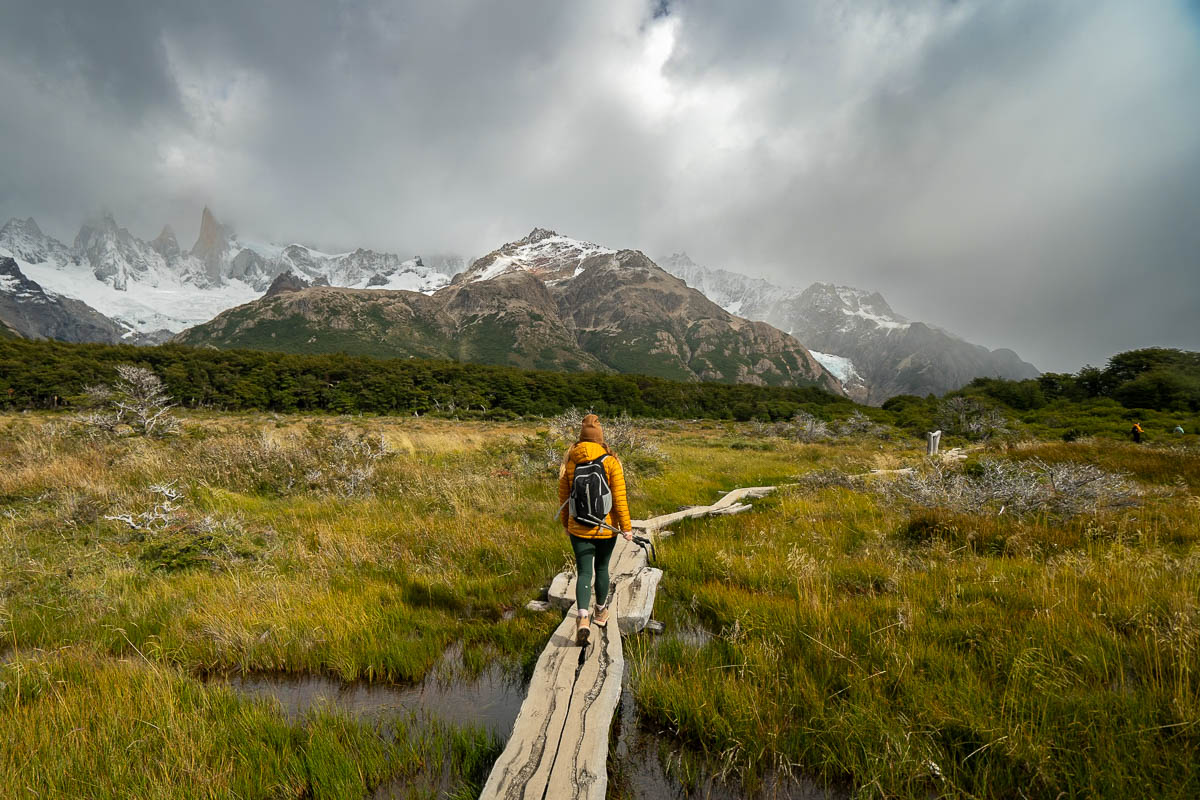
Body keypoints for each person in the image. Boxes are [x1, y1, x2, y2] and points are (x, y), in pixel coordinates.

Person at [558, 414, 633, 645]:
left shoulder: (570, 462)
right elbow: (620, 499)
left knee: (584, 572)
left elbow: (563, 498)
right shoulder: (611, 461)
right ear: (600, 439)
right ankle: (600, 613)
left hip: (579, 527)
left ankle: (582, 618)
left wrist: (566, 525)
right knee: (602, 569)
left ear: (581, 438)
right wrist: (626, 528)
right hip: (605, 527)